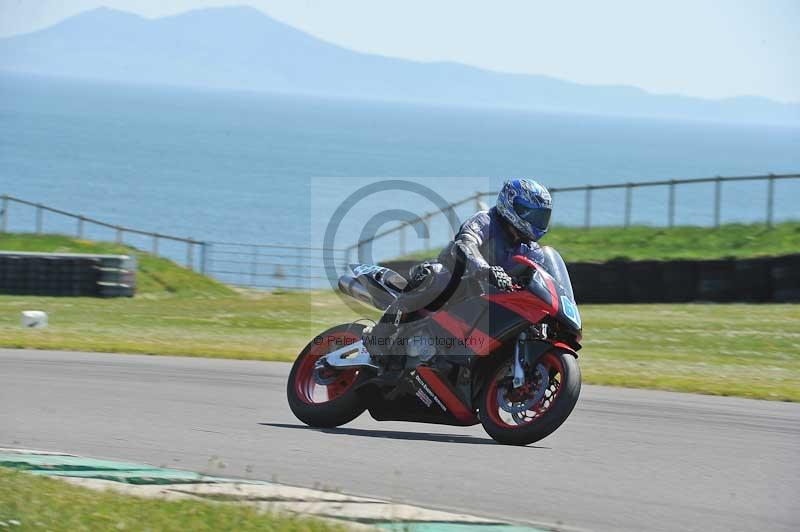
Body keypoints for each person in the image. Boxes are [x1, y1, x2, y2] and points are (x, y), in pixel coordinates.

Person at [366, 178, 553, 356]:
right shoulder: (486, 221)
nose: (538, 221)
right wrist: (484, 269)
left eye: (542, 216)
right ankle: (379, 336)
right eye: (533, 214)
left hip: (488, 300)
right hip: (457, 282)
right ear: (513, 205)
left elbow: (537, 279)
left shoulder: (533, 251)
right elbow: (466, 244)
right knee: (437, 277)